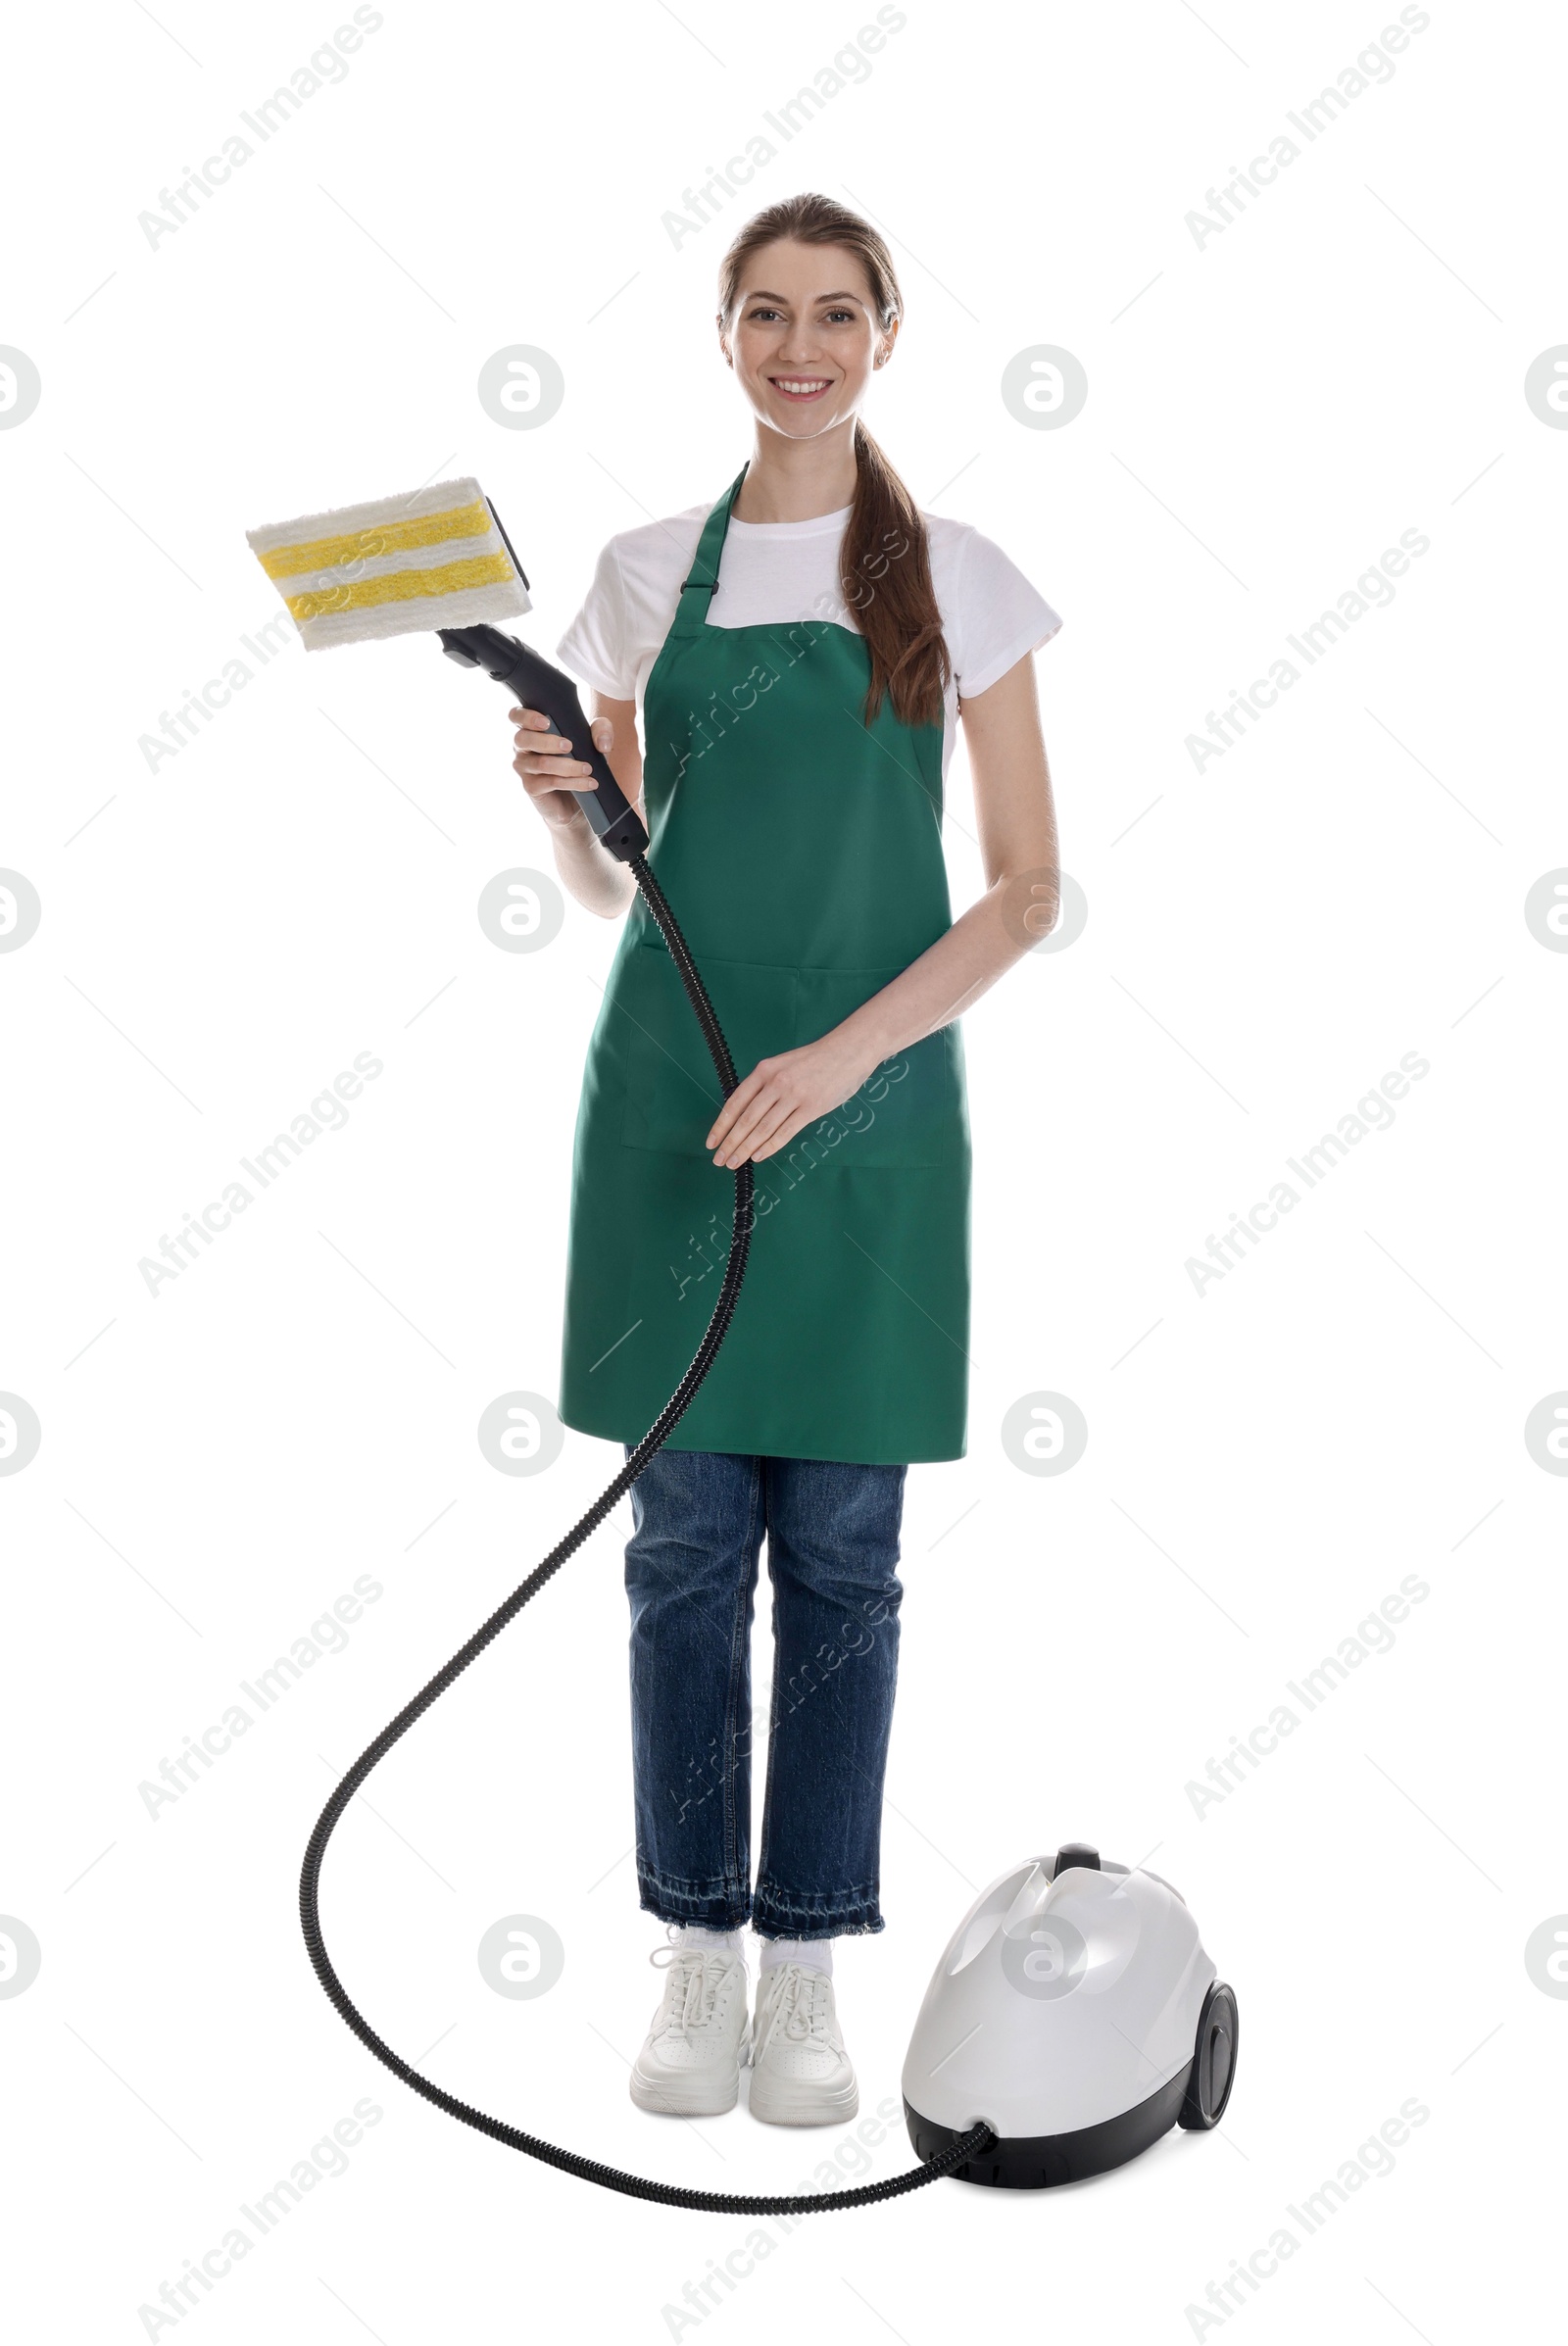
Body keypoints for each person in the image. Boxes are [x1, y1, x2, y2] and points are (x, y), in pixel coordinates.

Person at [509, 191, 1061, 2126]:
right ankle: (692, 1955)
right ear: (722, 337)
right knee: (675, 1555)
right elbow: (616, 889)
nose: (798, 347)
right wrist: (568, 813)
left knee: (841, 1558)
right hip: (670, 1107)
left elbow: (1022, 893)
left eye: (835, 314)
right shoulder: (641, 573)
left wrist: (837, 1062)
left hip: (872, 1120)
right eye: (764, 314)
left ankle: (809, 1960)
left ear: (885, 334)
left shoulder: (954, 577)